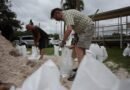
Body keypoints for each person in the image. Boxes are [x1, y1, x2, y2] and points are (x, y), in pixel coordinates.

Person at [51, 8, 94, 80]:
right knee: (81, 50)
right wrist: (74, 40)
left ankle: (80, 73)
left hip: (87, 28)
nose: (56, 20)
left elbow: (69, 29)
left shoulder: (66, 14)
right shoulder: (67, 14)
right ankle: (83, 68)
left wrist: (63, 41)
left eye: (55, 18)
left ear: (57, 13)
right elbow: (74, 27)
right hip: (82, 30)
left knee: (79, 48)